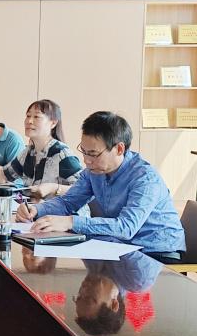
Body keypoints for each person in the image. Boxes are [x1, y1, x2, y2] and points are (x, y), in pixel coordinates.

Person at [18, 111, 186, 263]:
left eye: (93, 154)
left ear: (119, 148)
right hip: (120, 247)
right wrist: (36, 210)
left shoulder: (145, 178)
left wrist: (70, 222)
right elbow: (68, 202)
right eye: (84, 151)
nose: (86, 160)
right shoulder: (94, 172)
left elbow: (126, 227)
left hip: (157, 254)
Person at [0, 100, 83, 199]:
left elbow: (82, 190)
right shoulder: (28, 152)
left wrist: (53, 188)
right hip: (33, 207)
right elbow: (5, 175)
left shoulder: (61, 153)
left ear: (53, 123)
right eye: (28, 116)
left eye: (37, 117)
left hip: (59, 208)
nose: (29, 121)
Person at [74, 250, 163, 336]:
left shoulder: (93, 268)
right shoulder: (138, 279)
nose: (83, 289)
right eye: (89, 298)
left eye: (79, 297)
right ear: (114, 304)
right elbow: (116, 246)